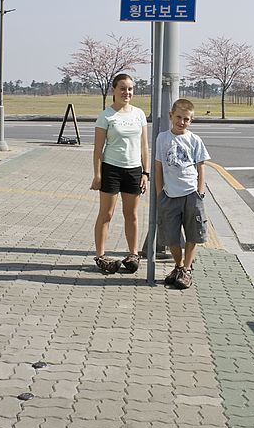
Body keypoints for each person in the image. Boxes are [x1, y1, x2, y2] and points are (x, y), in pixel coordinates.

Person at [90, 73, 150, 274]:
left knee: (131, 214)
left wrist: (145, 173)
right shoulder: (106, 116)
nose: (127, 92)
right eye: (123, 88)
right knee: (106, 214)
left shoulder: (139, 114)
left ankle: (133, 254)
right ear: (114, 90)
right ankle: (100, 255)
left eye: (130, 89)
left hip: (133, 170)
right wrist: (98, 175)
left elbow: (144, 147)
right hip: (111, 169)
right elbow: (98, 149)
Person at [154, 98, 211, 289]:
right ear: (171, 116)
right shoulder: (162, 138)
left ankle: (186, 268)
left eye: (186, 119)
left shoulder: (195, 140)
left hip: (191, 194)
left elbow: (201, 166)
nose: (182, 122)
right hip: (170, 195)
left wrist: (200, 191)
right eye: (178, 117)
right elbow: (158, 166)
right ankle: (178, 265)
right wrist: (159, 192)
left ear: (191, 121)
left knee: (193, 234)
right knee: (171, 236)